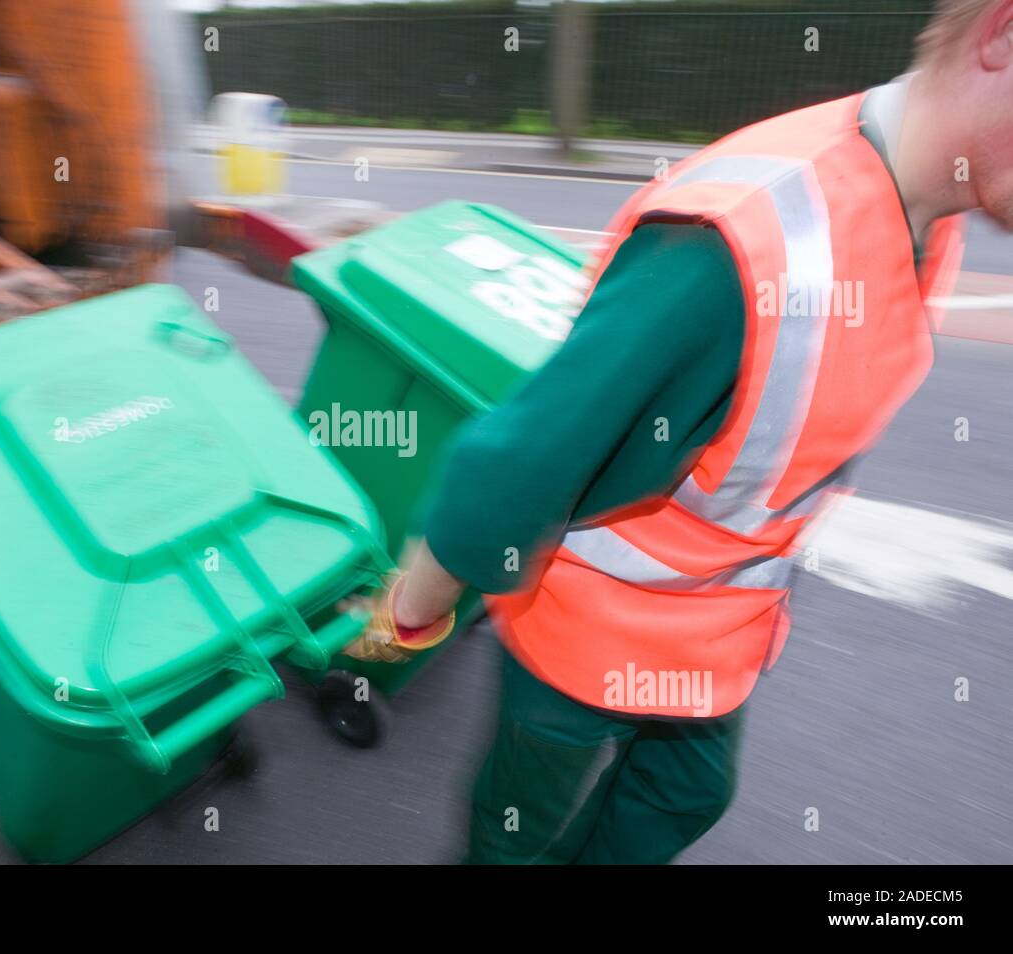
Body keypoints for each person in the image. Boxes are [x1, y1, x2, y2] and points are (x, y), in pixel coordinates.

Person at [345, 0, 1012, 864]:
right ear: (1002, 34)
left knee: (687, 794)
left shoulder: (930, 221)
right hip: (583, 644)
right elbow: (521, 464)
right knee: (518, 833)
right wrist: (406, 615)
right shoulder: (738, 244)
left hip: (713, 634)